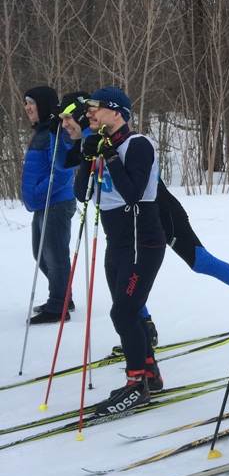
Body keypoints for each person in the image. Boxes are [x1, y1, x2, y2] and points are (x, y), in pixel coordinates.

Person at [59, 95, 229, 350]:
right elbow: (72, 169)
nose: (66, 125)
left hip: (161, 212)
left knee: (199, 261)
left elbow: (135, 183)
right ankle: (144, 328)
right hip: (129, 225)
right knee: (127, 274)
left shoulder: (122, 142)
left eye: (69, 119)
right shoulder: (90, 143)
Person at [74, 86, 166, 414]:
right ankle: (149, 372)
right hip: (119, 241)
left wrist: (109, 156)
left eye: (95, 109)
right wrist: (88, 158)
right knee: (128, 307)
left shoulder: (137, 144)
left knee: (123, 312)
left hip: (143, 239)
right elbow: (81, 194)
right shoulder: (103, 144)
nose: (89, 114)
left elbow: (132, 193)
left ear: (116, 112)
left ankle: (136, 382)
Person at [22, 85, 76, 324]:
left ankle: (58, 306)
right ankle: (63, 297)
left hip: (56, 202)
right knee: (41, 254)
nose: (27, 108)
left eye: (31, 102)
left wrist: (38, 191)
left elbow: (64, 171)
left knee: (55, 257)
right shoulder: (43, 131)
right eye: (26, 103)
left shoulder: (57, 131)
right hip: (43, 204)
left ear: (43, 104)